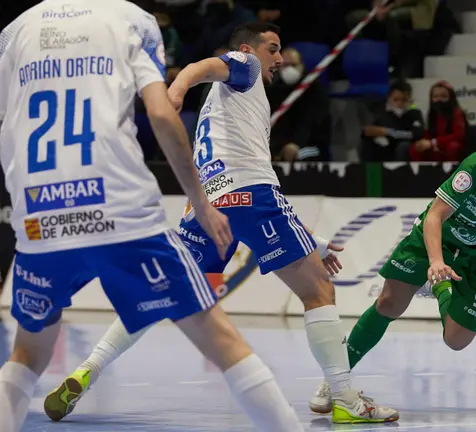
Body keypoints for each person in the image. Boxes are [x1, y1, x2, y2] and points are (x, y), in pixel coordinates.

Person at [45, 21, 398, 425]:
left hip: (208, 207)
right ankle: (344, 398)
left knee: (158, 297)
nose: (279, 58)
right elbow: (202, 66)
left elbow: (228, 176)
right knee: (318, 290)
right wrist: (176, 89)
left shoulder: (223, 104)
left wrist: (310, 240)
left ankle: (86, 370)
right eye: (273, 48)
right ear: (248, 48)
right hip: (253, 196)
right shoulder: (244, 65)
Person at [0, 2, 304, 431]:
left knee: (26, 356)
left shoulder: (18, 28)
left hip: (41, 213)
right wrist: (199, 201)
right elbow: (162, 114)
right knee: (216, 333)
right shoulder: (130, 20)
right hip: (119, 205)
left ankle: (90, 366)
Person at [310, 114, 476, 413]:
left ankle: (439, 288)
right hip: (442, 240)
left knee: (456, 340)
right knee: (389, 304)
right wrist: (436, 261)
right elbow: (435, 216)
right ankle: (334, 381)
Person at [409, 80, 467, 162]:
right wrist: (425, 142)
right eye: (435, 97)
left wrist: (434, 142)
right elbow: (429, 133)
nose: (439, 99)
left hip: (449, 145)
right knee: (416, 148)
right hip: (435, 145)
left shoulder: (456, 112)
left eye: (443, 96)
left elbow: (458, 135)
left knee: (453, 147)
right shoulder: (432, 113)